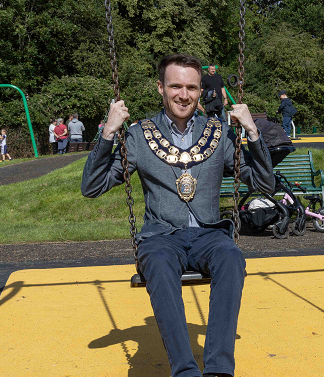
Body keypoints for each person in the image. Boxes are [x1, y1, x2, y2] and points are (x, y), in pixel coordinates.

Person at [81, 54, 275, 377]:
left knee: (231, 257)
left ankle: (218, 370)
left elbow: (265, 183)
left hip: (209, 234)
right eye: (175, 86)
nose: (183, 95)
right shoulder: (140, 136)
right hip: (161, 237)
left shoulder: (219, 133)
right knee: (156, 263)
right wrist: (107, 134)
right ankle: (185, 371)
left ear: (201, 91)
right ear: (161, 87)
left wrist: (253, 134)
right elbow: (92, 186)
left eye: (191, 87)